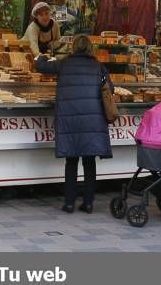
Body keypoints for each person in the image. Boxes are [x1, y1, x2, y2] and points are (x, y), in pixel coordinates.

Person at [34, 34, 111, 213]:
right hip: (93, 119)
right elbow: (110, 89)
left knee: (71, 160)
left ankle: (69, 203)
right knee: (89, 161)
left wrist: (43, 54)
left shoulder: (64, 63)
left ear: (74, 47)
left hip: (70, 118)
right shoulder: (98, 67)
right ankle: (89, 203)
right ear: (90, 48)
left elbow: (41, 66)